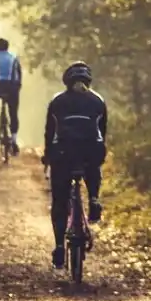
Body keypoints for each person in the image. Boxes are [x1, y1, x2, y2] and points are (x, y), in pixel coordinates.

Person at [40, 61, 107, 270]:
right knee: (93, 167)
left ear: (67, 81)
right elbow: (102, 133)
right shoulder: (98, 101)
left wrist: (47, 156)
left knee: (60, 201)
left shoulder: (58, 101)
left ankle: (60, 246)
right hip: (90, 151)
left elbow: (50, 132)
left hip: (63, 153)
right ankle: (94, 198)